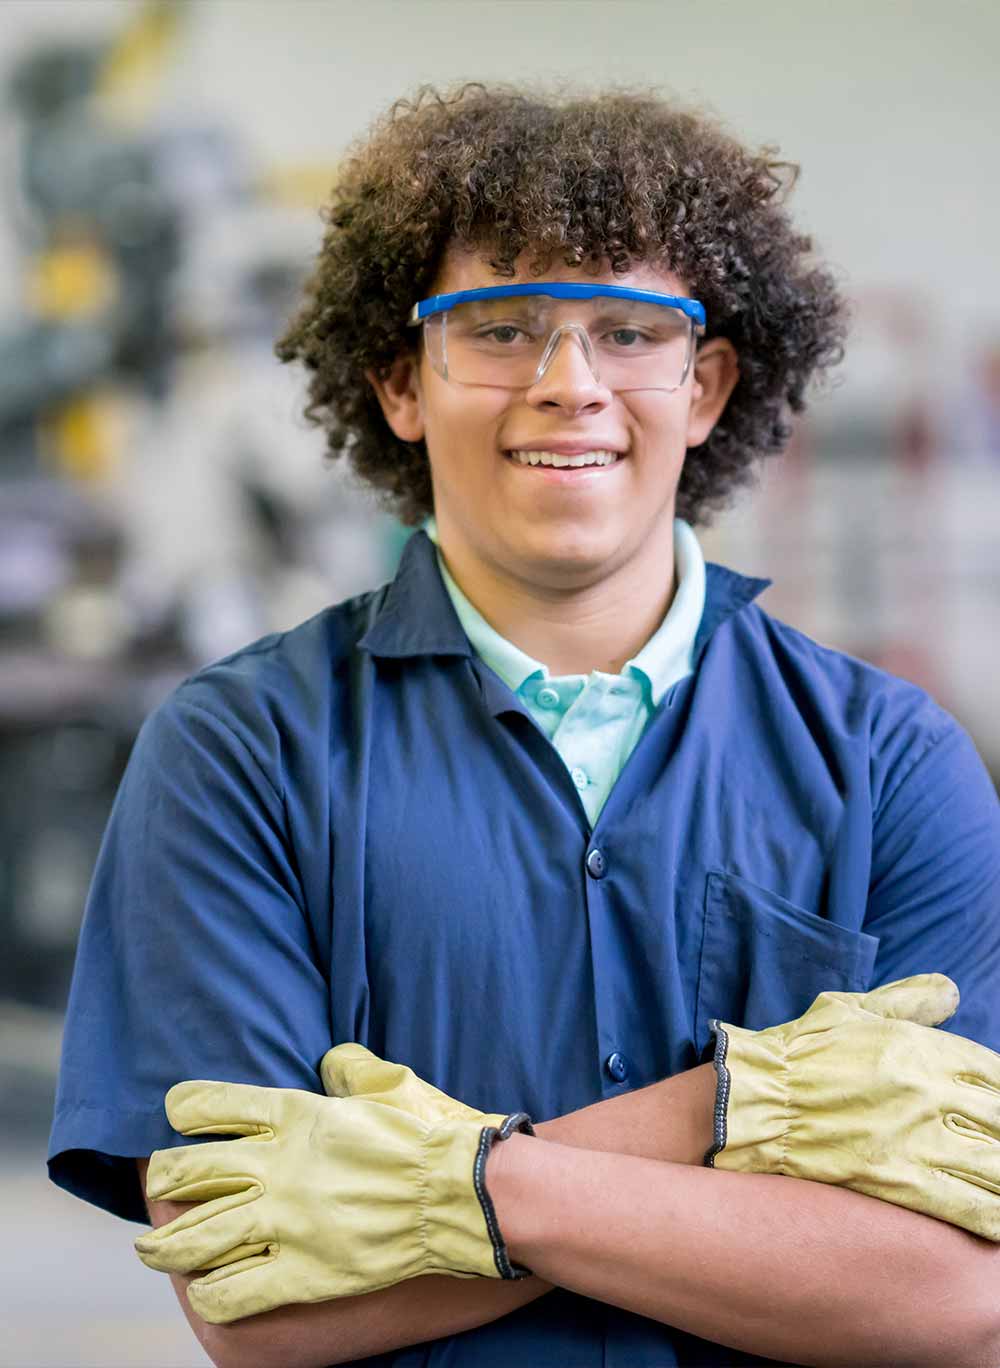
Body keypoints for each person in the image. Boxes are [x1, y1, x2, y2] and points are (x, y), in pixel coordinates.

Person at [49, 85, 1000, 1368]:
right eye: (497, 330)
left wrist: (446, 1186)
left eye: (629, 331)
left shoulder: (890, 761)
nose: (568, 386)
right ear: (400, 381)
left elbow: (951, 1297)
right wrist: (747, 1108)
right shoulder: (237, 755)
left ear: (705, 386)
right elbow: (254, 1300)